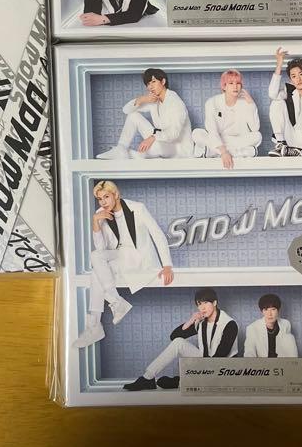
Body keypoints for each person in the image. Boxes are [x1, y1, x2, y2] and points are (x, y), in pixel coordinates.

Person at [74, 180, 173, 348]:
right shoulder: (101, 214)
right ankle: (115, 303)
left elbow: (157, 234)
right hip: (119, 257)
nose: (103, 202)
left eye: (106, 197)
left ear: (116, 194)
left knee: (95, 274)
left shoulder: (137, 208)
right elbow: (101, 248)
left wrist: (167, 265)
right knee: (95, 256)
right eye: (99, 199)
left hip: (138, 258)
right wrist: (96, 222)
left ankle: (95, 325)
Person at [123, 288, 238, 391]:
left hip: (223, 368)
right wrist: (191, 320)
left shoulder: (229, 324)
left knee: (200, 380)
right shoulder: (201, 322)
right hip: (206, 362)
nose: (202, 307)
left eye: (206, 303)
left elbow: (220, 357)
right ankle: (147, 378)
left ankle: (180, 381)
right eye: (199, 304)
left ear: (214, 303)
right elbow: (174, 336)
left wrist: (195, 372)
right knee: (178, 342)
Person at [97, 67, 192, 160]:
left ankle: (131, 154)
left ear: (163, 82)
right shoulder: (154, 101)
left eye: (153, 82)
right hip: (162, 142)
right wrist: (143, 99)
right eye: (148, 84)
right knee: (133, 116)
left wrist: (152, 138)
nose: (150, 87)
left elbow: (174, 133)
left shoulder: (175, 102)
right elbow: (126, 110)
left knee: (155, 146)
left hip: (179, 148)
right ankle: (121, 148)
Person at [191, 69, 263, 168]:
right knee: (197, 133)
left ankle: (210, 152)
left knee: (258, 136)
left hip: (238, 139)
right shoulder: (212, 102)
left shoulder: (245, 103)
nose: (235, 86)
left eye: (238, 83)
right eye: (231, 83)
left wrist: (251, 104)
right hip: (219, 139)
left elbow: (255, 128)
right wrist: (224, 152)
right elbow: (212, 130)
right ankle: (243, 152)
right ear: (224, 86)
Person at [243, 294, 299, 358]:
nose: (269, 314)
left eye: (273, 309)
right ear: (262, 311)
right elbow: (249, 353)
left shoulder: (285, 324)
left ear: (278, 310)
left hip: (281, 362)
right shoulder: (252, 328)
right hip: (262, 363)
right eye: (266, 309)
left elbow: (290, 349)